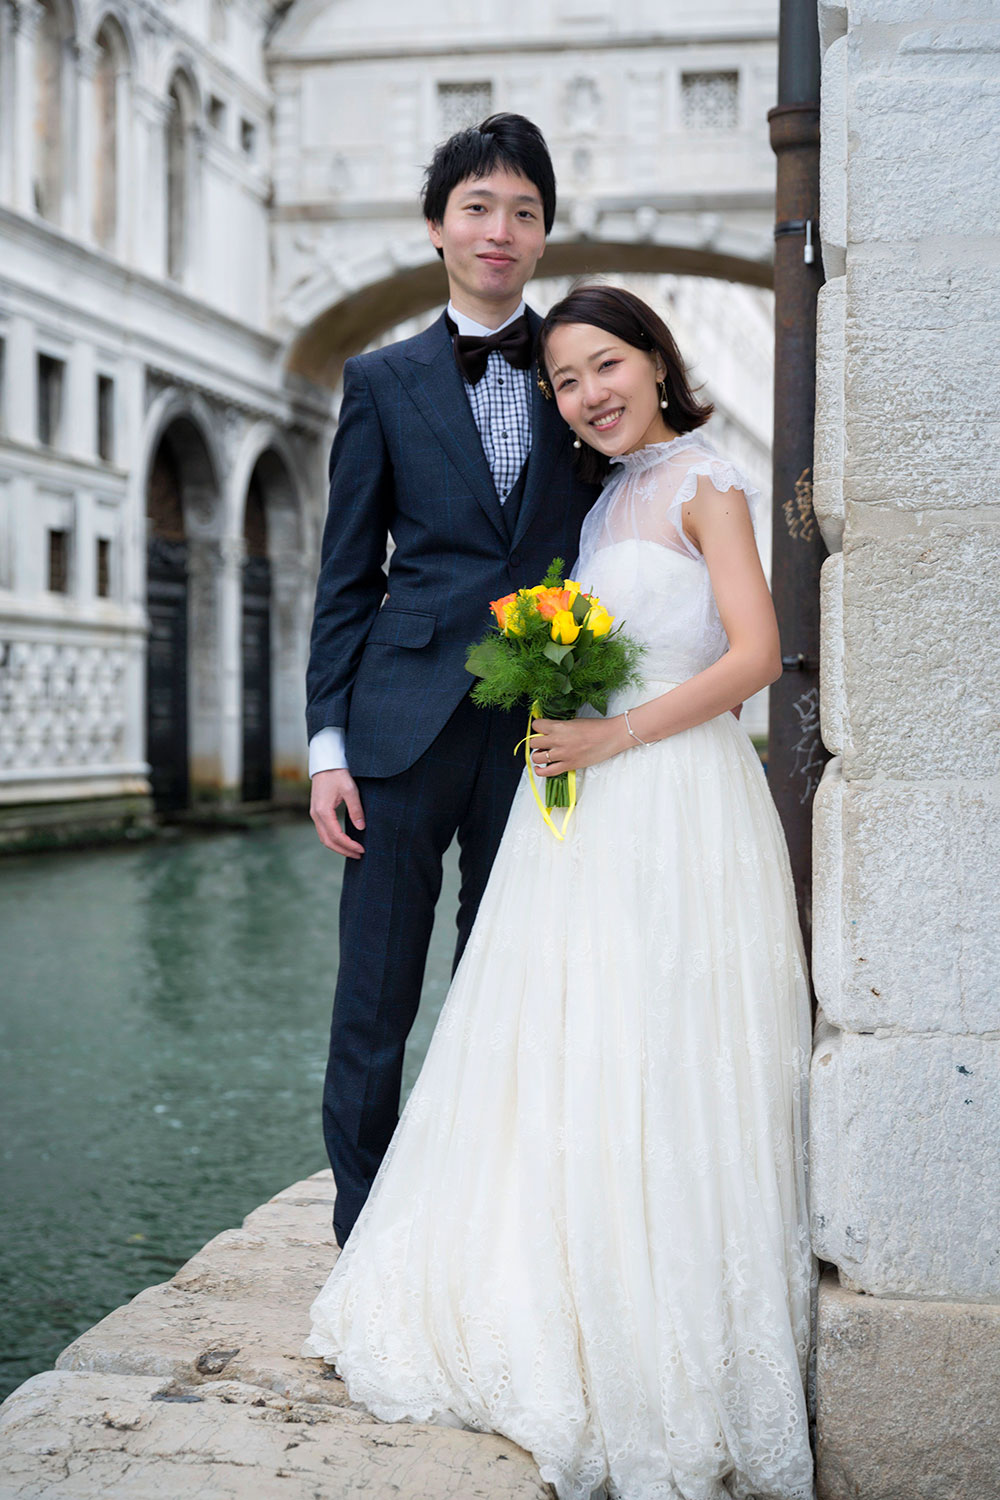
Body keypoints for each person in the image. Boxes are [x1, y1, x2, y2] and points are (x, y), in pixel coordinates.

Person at [304, 283, 815, 1500]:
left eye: (607, 367)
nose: (589, 395)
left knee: (659, 1048)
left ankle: (653, 1301)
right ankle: (546, 1265)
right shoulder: (601, 494)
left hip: (668, 798)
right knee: (558, 1041)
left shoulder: (707, 480)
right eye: (568, 381)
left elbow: (752, 655)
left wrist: (611, 733)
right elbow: (357, 575)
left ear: (654, 357)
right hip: (561, 794)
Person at [305, 115, 598, 1248]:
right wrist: (326, 748)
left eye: (524, 212)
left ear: (542, 237)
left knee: (507, 984)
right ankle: (363, 1226)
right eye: (479, 207)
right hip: (398, 725)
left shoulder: (579, 373)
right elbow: (343, 579)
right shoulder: (379, 380)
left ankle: (479, 1215)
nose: (500, 230)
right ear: (437, 226)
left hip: (540, 729)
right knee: (374, 993)